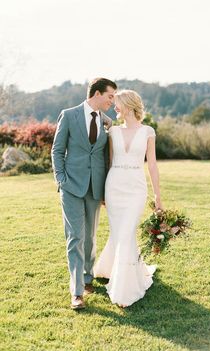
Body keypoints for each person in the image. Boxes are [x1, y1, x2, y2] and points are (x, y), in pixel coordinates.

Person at [51, 78, 117, 310]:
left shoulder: (106, 121)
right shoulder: (69, 115)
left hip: (95, 186)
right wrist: (61, 179)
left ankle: (88, 276)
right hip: (71, 186)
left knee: (90, 236)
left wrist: (107, 189)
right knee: (75, 237)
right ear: (97, 94)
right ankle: (77, 292)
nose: (113, 101)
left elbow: (104, 156)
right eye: (110, 96)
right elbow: (57, 150)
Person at [94, 89, 163, 307]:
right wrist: (104, 193)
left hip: (136, 189)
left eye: (118, 103)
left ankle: (124, 289)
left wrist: (158, 197)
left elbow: (152, 165)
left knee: (127, 232)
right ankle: (110, 268)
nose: (115, 107)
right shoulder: (113, 131)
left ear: (129, 105)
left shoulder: (148, 131)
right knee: (118, 233)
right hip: (114, 187)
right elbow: (109, 163)